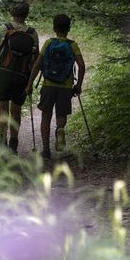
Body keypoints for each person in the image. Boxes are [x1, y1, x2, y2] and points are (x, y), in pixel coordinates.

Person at [25, 14, 85, 159]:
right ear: (69, 28)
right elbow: (81, 66)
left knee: (46, 116)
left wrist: (29, 84)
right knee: (61, 115)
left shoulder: (48, 43)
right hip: (65, 86)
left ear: (54, 27)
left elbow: (37, 65)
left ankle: (46, 149)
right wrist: (78, 85)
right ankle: (59, 129)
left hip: (48, 85)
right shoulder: (72, 45)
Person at [0, 0, 39, 153]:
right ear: (26, 14)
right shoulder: (32, 33)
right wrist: (29, 81)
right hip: (22, 76)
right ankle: (14, 144)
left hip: (3, 74)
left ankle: (1, 143)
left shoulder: (4, 29)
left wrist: (3, 59)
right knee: (16, 110)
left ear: (12, 12)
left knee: (2, 110)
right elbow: (35, 60)